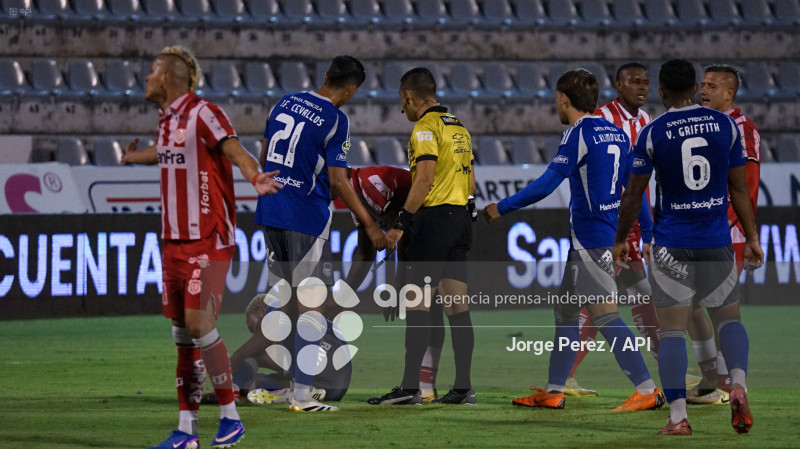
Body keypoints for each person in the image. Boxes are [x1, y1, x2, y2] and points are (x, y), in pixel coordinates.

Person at [122, 45, 282, 449]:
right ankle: (186, 431)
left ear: (170, 77)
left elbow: (233, 149)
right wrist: (131, 157)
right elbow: (163, 153)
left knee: (198, 325)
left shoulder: (203, 112)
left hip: (208, 239)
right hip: (172, 243)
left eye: (153, 69)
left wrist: (254, 176)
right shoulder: (166, 120)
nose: (146, 76)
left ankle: (230, 419)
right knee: (181, 334)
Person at [483, 68, 664, 412]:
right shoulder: (617, 134)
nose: (556, 104)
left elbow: (547, 184)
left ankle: (647, 388)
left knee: (606, 315)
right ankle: (553, 390)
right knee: (566, 310)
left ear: (564, 99)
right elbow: (636, 191)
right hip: (602, 234)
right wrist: (643, 233)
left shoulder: (577, 134)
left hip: (590, 238)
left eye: (556, 99)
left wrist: (502, 207)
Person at [613, 59, 764, 435]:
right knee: (729, 319)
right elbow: (739, 189)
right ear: (696, 88)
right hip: (716, 241)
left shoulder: (653, 132)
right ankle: (739, 386)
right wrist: (753, 237)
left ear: (662, 92)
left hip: (671, 245)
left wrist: (619, 239)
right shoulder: (726, 126)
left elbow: (633, 195)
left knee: (672, 332)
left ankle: (679, 417)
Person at [254, 55, 386, 413]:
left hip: (270, 211)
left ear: (326, 75)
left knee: (282, 304)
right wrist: (368, 222)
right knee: (311, 307)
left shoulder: (285, 101)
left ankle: (284, 383)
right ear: (352, 89)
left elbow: (265, 153)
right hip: (306, 218)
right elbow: (339, 180)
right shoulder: (336, 120)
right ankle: (301, 395)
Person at [368, 67, 477, 406]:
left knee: (417, 304)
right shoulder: (459, 127)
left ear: (408, 96)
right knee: (457, 306)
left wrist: (401, 222)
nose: (403, 109)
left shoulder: (425, 129)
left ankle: (409, 388)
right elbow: (470, 182)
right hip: (461, 218)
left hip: (433, 221)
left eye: (403, 102)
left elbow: (424, 179)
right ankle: (462, 388)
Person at [565, 62, 659, 397]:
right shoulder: (602, 119)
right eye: (634, 81)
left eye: (646, 81)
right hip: (611, 223)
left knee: (606, 301)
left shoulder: (648, 122)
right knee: (628, 297)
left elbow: (641, 183)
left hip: (633, 219)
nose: (642, 87)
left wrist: (647, 229)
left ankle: (565, 376)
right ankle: (661, 371)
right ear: (618, 84)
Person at [683, 64, 763, 405]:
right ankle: (718, 379)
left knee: (717, 308)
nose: (704, 90)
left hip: (726, 234)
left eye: (712, 86)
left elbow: (746, 187)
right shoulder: (706, 125)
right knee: (690, 304)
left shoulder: (742, 129)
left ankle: (725, 381)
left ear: (729, 93)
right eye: (702, 84)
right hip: (702, 231)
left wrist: (743, 232)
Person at [340, 165, 445, 402]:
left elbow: (402, 234)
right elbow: (365, 253)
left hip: (433, 225)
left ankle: (416, 388)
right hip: (433, 228)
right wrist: (341, 299)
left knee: (422, 306)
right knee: (429, 306)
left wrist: (396, 287)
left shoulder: (370, 185)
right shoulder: (355, 195)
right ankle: (425, 387)